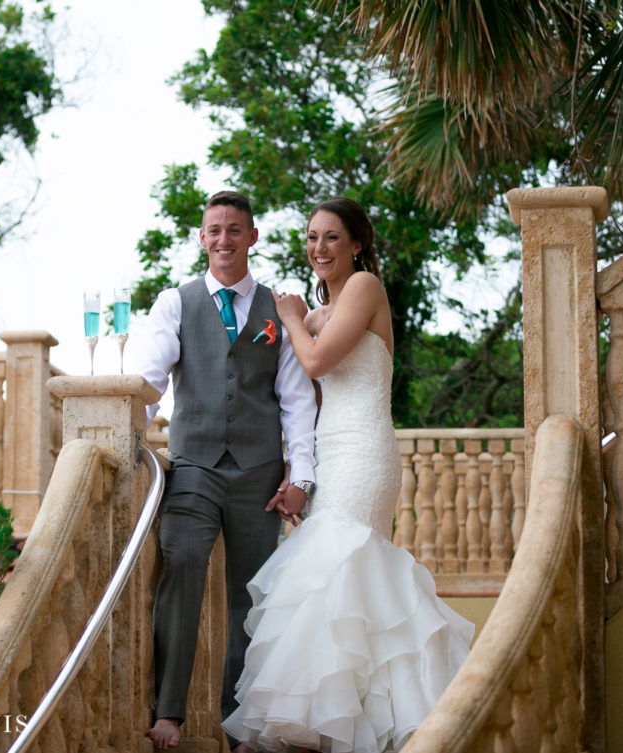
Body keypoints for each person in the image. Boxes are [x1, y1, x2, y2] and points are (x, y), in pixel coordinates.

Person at [222, 197, 476, 753]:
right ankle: (334, 723)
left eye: (332, 237)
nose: (319, 248)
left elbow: (316, 362)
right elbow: (303, 402)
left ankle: (386, 718)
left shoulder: (364, 288)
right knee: (329, 585)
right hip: (329, 457)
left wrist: (289, 318)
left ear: (357, 244)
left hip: (364, 453)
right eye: (312, 237)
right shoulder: (315, 318)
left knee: (345, 566)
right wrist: (298, 475)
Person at [123, 190, 318, 751]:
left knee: (251, 596)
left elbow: (296, 400)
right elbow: (149, 380)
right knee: (181, 567)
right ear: (202, 238)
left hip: (260, 473)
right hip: (194, 466)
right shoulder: (175, 303)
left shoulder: (278, 308)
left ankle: (242, 725)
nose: (224, 239)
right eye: (214, 230)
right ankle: (169, 712)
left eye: (235, 230)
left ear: (252, 237)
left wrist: (301, 477)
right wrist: (126, 427)